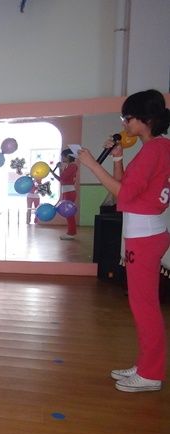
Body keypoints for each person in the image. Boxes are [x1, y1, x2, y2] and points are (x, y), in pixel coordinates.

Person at [77, 89, 170, 393]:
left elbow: (124, 194)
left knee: (144, 306)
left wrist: (92, 164)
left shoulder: (154, 150)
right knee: (141, 304)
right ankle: (144, 365)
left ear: (146, 119)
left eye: (128, 117)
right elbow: (126, 187)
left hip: (144, 236)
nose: (125, 123)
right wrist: (117, 157)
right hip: (146, 233)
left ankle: (151, 374)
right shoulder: (159, 148)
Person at [51, 148, 78, 239]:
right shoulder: (69, 166)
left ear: (68, 156)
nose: (62, 158)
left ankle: (71, 233)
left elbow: (62, 177)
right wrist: (53, 171)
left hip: (69, 192)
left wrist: (58, 169)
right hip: (66, 191)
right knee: (68, 213)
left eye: (63, 156)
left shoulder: (72, 166)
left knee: (69, 213)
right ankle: (71, 232)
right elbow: (61, 179)